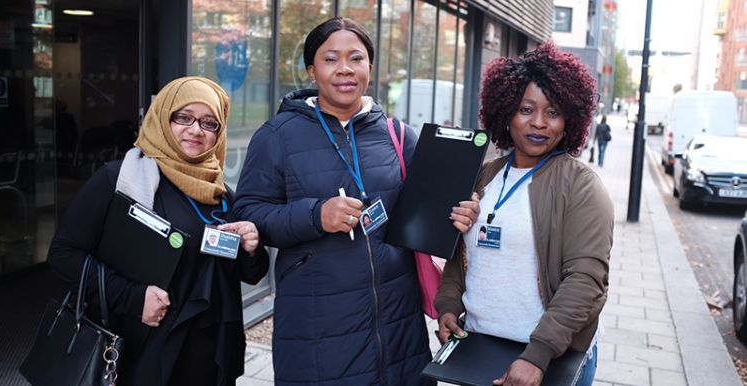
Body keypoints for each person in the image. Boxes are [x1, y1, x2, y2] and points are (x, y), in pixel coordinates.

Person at [233, 17, 477, 386]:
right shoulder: (277, 136)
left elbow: (429, 211)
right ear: (312, 71)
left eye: (356, 58)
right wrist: (316, 215)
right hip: (317, 334)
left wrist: (460, 213)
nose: (345, 69)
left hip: (399, 332)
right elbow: (250, 213)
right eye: (331, 59)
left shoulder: (397, 135)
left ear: (370, 67)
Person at [47, 77, 270, 386]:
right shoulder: (119, 179)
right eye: (184, 116)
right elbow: (63, 254)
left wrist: (252, 248)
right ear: (163, 117)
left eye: (210, 123)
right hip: (140, 354)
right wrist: (133, 299)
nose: (196, 130)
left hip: (208, 356)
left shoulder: (222, 196)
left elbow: (249, 274)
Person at [434, 41, 613, 386]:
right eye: (527, 109)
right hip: (480, 348)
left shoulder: (582, 186)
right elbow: (461, 257)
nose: (540, 123)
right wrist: (447, 306)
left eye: (553, 112)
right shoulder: (483, 174)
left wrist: (537, 355)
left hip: (547, 360)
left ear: (569, 120)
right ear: (506, 112)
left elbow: (586, 281)